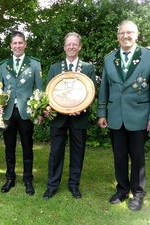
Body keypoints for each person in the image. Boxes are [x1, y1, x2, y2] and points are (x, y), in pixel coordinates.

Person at [96, 20, 150, 211]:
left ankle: (138, 193)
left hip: (140, 116)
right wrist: (102, 112)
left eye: (130, 32)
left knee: (138, 156)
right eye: (122, 33)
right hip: (116, 116)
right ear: (118, 36)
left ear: (137, 35)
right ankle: (122, 190)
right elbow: (104, 89)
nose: (126, 36)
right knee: (119, 156)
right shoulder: (110, 59)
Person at [42, 32, 96, 200]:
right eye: (69, 44)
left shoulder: (88, 68)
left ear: (79, 47)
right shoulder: (54, 68)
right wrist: (49, 106)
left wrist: (82, 107)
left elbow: (91, 92)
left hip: (79, 117)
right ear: (64, 47)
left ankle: (74, 185)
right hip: (58, 117)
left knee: (77, 152)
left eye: (75, 44)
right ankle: (52, 186)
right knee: (56, 152)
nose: (71, 47)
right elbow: (48, 93)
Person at [0, 31, 44, 195]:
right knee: (9, 148)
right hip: (9, 112)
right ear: (10, 46)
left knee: (27, 148)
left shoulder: (34, 64)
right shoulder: (3, 65)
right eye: (14, 43)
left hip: (26, 112)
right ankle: (10, 178)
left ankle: (28, 180)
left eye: (20, 43)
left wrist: (39, 111)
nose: (17, 46)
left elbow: (39, 89)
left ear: (25, 44)